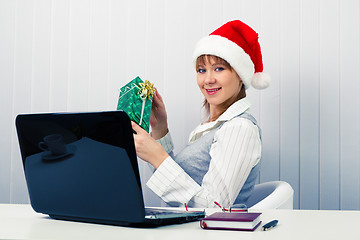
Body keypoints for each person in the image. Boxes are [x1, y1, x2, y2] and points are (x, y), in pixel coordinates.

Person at [131, 20, 270, 208]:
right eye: (201, 70)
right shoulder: (214, 127)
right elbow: (181, 188)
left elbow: (214, 207)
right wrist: (160, 128)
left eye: (219, 69)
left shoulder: (239, 128)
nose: (208, 79)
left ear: (240, 75)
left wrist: (158, 157)